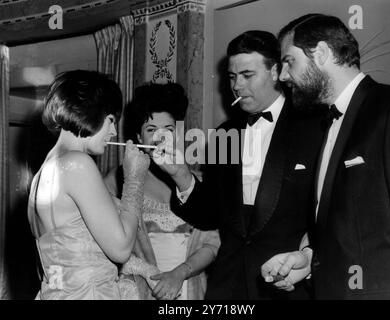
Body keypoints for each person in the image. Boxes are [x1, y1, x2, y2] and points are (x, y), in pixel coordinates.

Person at [153, 31, 324, 299]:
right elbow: (210, 215)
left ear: (276, 71)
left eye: (247, 75)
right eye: (232, 77)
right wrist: (181, 174)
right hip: (227, 285)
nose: (236, 86)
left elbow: (328, 214)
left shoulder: (313, 126)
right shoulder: (225, 133)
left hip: (288, 286)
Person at [261, 14, 390, 299]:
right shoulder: (327, 122)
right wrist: (308, 260)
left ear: (321, 54)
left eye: (289, 61)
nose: (282, 76)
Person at [27, 70, 150, 299]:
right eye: (111, 120)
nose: (113, 131)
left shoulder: (41, 175)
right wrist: (134, 179)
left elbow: (75, 254)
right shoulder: (78, 164)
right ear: (91, 112)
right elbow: (121, 248)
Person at [104, 82, 220, 300]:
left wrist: (178, 274)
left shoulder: (199, 183)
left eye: (168, 129)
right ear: (139, 137)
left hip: (193, 292)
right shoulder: (119, 179)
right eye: (151, 130)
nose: (160, 138)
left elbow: (213, 245)